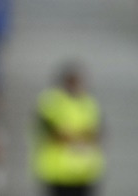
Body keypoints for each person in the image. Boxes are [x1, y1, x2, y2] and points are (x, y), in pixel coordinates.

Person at [31, 62, 104, 196]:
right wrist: (74, 137)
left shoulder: (89, 103)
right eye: (73, 81)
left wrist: (79, 137)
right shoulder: (51, 101)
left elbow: (98, 132)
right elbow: (46, 130)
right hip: (57, 172)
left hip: (85, 171)